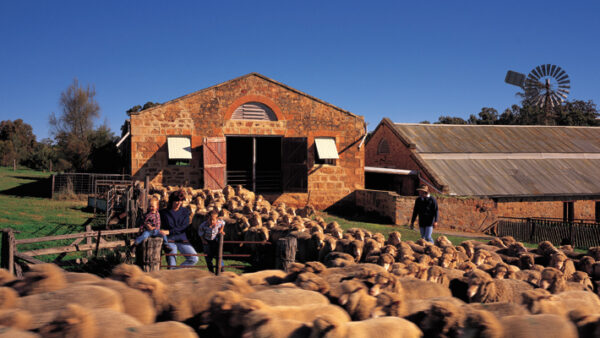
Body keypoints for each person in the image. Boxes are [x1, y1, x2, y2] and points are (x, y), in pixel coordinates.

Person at [160, 190, 198, 269]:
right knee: (171, 264)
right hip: (170, 240)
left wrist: (169, 231)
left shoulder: (185, 211)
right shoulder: (163, 213)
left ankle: (175, 273)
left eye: (181, 201)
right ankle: (172, 274)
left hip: (182, 239)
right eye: (177, 201)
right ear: (171, 201)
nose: (179, 203)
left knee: (194, 258)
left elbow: (184, 226)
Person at [198, 210, 226, 274]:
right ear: (207, 218)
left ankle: (222, 270)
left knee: (218, 255)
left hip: (215, 241)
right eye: (210, 220)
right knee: (208, 257)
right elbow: (200, 233)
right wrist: (203, 240)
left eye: (213, 220)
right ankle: (211, 271)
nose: (211, 221)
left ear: (217, 219)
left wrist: (221, 230)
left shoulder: (219, 222)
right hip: (207, 241)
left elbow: (223, 223)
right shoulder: (203, 225)